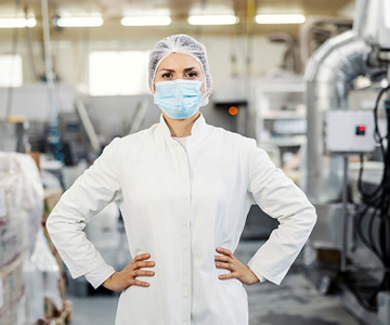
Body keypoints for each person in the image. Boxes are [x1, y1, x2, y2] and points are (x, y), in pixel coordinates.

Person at [47, 34, 317, 325]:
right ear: (153, 85)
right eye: (167, 74)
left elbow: (299, 213)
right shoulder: (125, 153)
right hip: (148, 309)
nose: (179, 83)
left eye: (191, 74)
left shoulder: (240, 151)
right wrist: (104, 276)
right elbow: (62, 219)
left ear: (206, 83)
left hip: (218, 308)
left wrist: (258, 269)